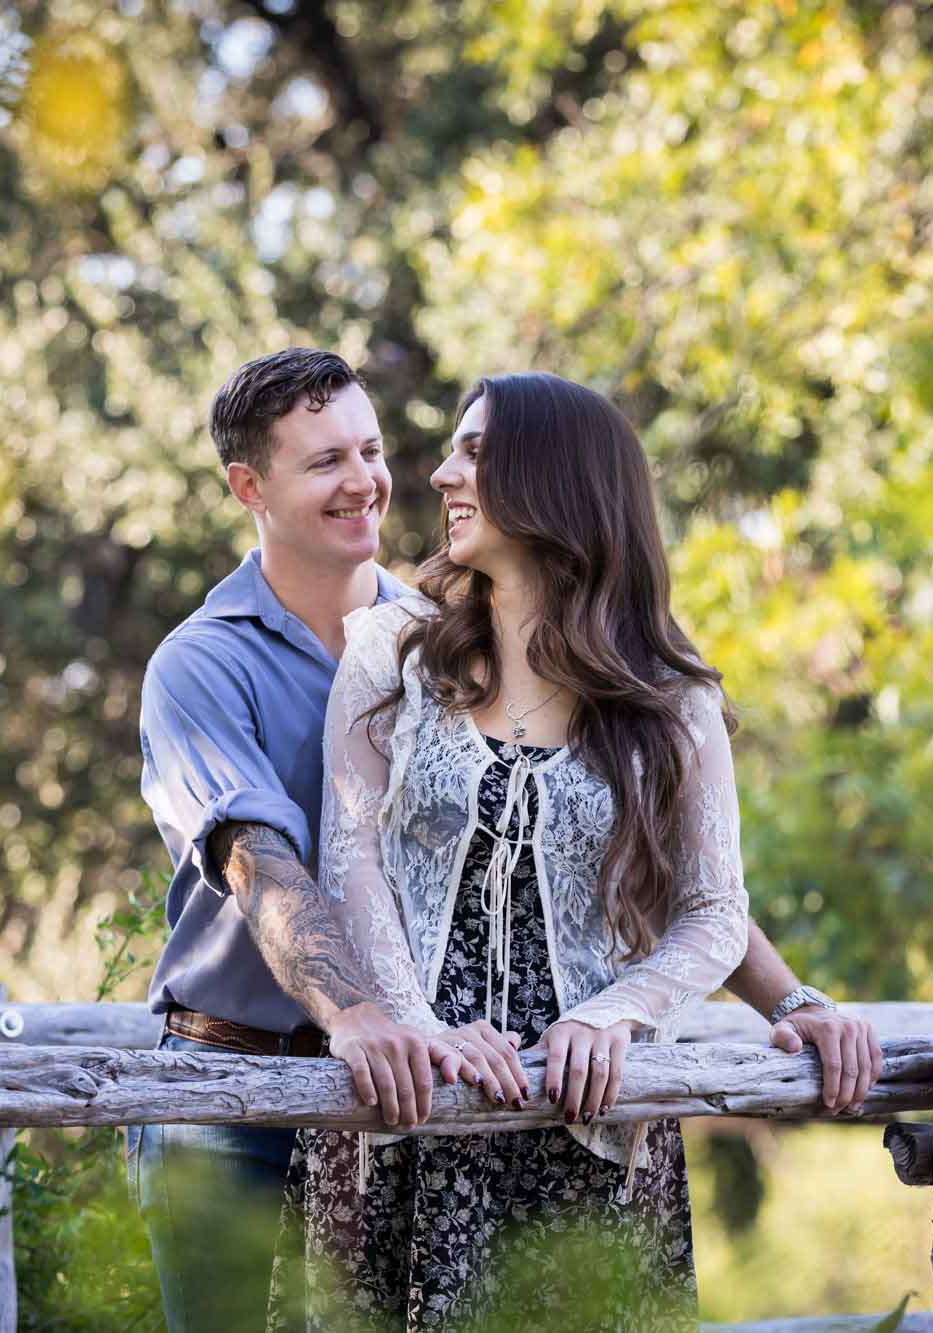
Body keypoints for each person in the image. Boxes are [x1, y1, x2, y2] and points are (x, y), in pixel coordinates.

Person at [135, 350, 879, 1332]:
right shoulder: (216, 663)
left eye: (370, 450)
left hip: (483, 1087)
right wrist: (378, 1017)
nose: (377, 478)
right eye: (325, 461)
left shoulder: (437, 635)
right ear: (249, 487)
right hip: (259, 1078)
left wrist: (789, 998)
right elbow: (268, 863)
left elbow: (669, 885)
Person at [271, 372, 778, 1330]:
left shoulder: (672, 700)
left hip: (588, 1123)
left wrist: (613, 1014)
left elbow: (714, 912)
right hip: (406, 1114)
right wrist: (419, 1027)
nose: (440, 474)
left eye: (473, 452)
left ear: (554, 479)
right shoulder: (394, 653)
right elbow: (352, 856)